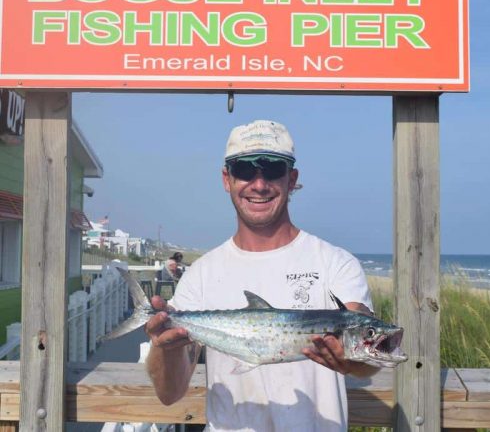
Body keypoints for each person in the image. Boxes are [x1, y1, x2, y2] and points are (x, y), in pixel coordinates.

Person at [145, 120, 377, 432]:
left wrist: (352, 359)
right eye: (244, 169)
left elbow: (365, 348)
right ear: (227, 179)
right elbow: (169, 394)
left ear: (291, 179)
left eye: (271, 169)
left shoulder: (335, 263)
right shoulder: (201, 274)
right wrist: (163, 347)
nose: (259, 184)